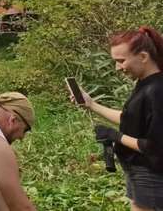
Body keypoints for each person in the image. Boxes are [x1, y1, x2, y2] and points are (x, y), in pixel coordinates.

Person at [70, 26, 163, 211]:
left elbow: (155, 147)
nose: (117, 68)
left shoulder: (157, 91)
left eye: (121, 61)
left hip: (151, 174)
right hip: (138, 171)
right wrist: (92, 104)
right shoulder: (145, 84)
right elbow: (131, 119)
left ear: (143, 57)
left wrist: (116, 136)